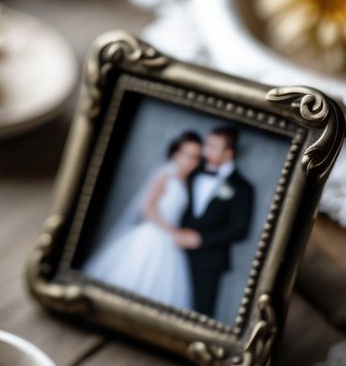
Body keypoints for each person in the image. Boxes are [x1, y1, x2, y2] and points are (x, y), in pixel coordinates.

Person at [82, 131, 203, 309]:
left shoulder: (187, 181)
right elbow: (148, 208)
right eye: (186, 154)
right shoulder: (165, 174)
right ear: (176, 153)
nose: (190, 161)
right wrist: (173, 232)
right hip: (153, 234)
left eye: (196, 157)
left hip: (170, 240)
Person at [174, 126, 254, 319]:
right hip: (175, 252)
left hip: (209, 261)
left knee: (200, 311)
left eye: (212, 146)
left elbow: (240, 230)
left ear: (228, 152)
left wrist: (201, 239)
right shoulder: (192, 173)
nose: (205, 149)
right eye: (206, 144)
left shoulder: (242, 187)